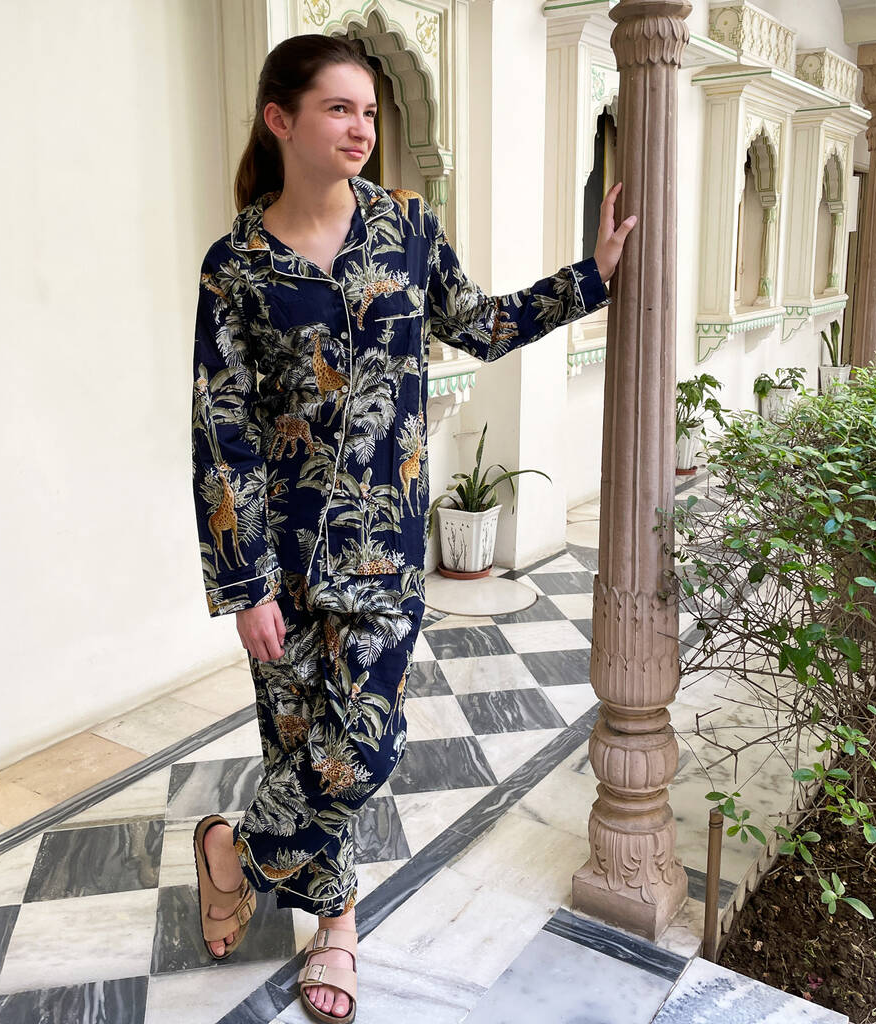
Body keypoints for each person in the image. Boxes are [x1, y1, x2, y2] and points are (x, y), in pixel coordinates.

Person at [189, 33, 636, 1024]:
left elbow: (479, 323)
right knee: (298, 748)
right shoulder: (236, 267)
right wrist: (243, 583)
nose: (362, 127)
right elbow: (220, 430)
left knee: (361, 752)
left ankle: (231, 854)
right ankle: (336, 927)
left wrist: (591, 277)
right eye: (339, 109)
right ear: (280, 120)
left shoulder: (406, 227)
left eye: (368, 110)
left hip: (387, 551)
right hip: (285, 562)